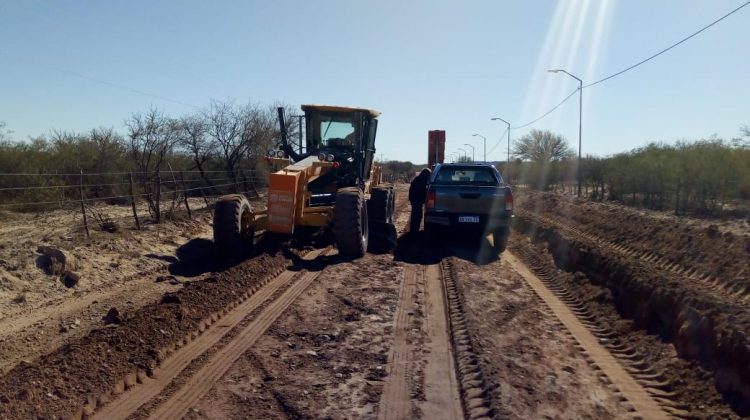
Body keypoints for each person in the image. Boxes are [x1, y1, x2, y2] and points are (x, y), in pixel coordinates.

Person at [409, 168, 431, 233]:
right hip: (417, 199)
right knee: (417, 215)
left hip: (415, 199)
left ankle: (414, 230)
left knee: (415, 215)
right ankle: (414, 231)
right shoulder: (424, 180)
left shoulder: (417, 179)